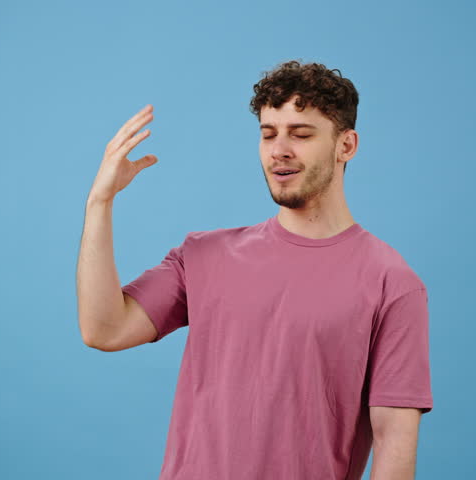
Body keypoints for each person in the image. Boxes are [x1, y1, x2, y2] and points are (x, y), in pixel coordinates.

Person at [76, 60, 433, 480]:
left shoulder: (392, 283)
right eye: (268, 134)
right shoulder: (203, 255)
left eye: (300, 134)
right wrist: (99, 203)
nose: (280, 149)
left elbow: (394, 444)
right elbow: (104, 329)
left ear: (346, 146)